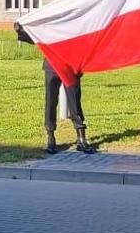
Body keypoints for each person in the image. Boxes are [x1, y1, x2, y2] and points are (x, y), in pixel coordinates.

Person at [20, 22, 91, 154]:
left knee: (75, 101)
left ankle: (81, 137)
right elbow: (37, 37)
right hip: (52, 65)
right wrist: (21, 30)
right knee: (51, 102)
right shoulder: (51, 21)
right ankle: (51, 137)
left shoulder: (75, 21)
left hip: (70, 64)